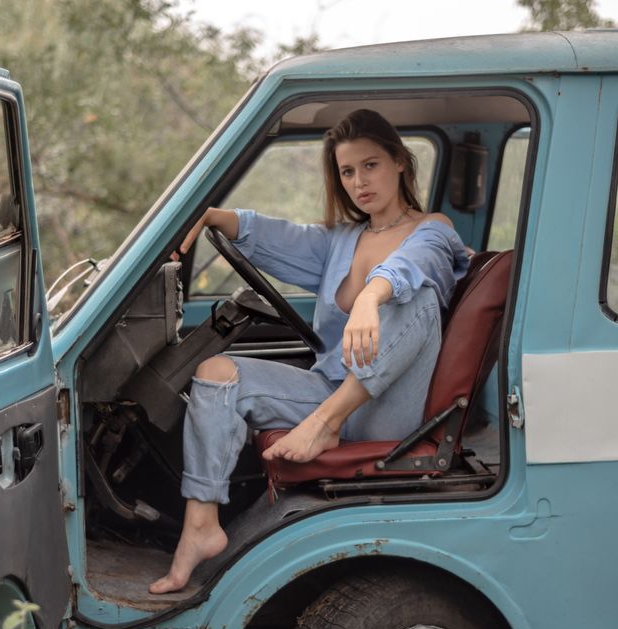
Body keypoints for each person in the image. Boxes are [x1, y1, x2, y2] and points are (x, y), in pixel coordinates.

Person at [149, 109, 469, 594]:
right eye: (347, 171)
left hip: (389, 407)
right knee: (217, 372)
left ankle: (327, 424)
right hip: (329, 385)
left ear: (401, 162)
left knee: (415, 294)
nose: (359, 182)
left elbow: (411, 264)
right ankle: (201, 523)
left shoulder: (434, 230)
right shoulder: (340, 241)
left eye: (371, 165)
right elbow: (273, 235)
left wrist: (370, 295)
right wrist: (212, 215)